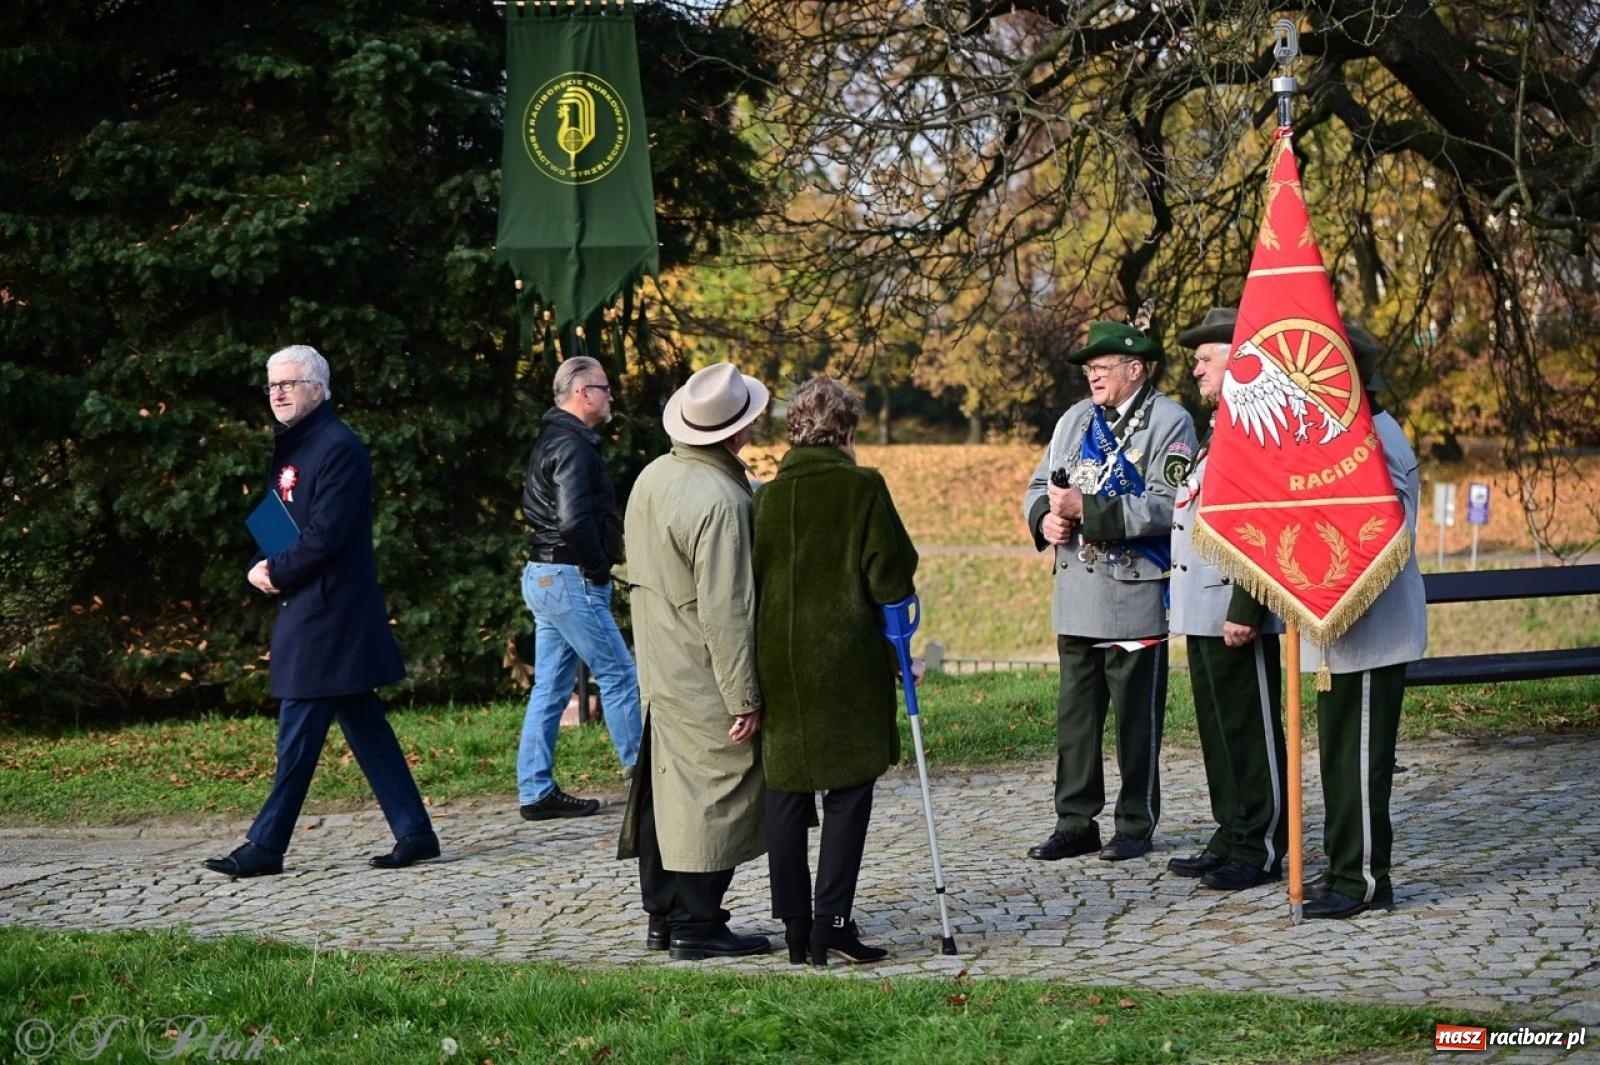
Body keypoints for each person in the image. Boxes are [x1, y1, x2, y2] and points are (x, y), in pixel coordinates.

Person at [203, 345, 437, 878]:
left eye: (288, 383)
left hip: (330, 612)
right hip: (310, 603)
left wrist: (275, 571)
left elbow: (326, 535)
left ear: (318, 387)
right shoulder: (295, 447)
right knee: (364, 725)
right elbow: (278, 518)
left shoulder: (338, 448)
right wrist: (260, 562)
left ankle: (266, 845)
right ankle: (416, 832)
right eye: (272, 386)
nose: (278, 393)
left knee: (299, 729)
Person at [752, 376, 920, 967]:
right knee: (849, 790)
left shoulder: (767, 497)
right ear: (847, 431)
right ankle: (834, 921)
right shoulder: (862, 488)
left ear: (794, 430)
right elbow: (890, 576)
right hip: (845, 662)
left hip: (777, 661)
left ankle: (795, 927)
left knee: (786, 790)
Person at [1021, 320, 1198, 863]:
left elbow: (1170, 505)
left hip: (1134, 595)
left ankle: (1135, 822)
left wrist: (1087, 511)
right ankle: (1075, 821)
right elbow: (1037, 487)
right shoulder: (1074, 421)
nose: (1092, 376)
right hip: (1075, 594)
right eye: (1089, 369)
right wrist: (1043, 522)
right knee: (1076, 720)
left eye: (1102, 368)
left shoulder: (1170, 423)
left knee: (1134, 721)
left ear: (1135, 370)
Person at [616, 362, 772, 961]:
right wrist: (745, 697)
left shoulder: (654, 475)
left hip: (660, 659)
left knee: (666, 794)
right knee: (716, 793)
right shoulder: (721, 501)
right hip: (702, 665)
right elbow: (728, 610)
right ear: (737, 432)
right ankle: (697, 925)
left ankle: (663, 919)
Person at [1301, 323, 1427, 919]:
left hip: (1372, 631)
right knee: (1338, 758)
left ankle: (1366, 880)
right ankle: (1342, 862)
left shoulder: (1380, 438)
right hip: (1334, 633)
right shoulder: (1341, 441)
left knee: (1364, 761)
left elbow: (1390, 537)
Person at [1167, 307, 1288, 891]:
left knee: (1250, 729)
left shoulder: (1255, 429)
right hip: (1201, 604)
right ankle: (1232, 829)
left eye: (1204, 358)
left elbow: (1263, 524)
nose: (1195, 369)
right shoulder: (1221, 428)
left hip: (1234, 608)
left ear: (1237, 361)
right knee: (1218, 730)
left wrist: (1248, 605)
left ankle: (1262, 843)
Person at [515, 355, 642, 820]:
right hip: (570, 577)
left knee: (549, 686)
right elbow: (573, 520)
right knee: (619, 674)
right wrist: (598, 569)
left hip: (545, 576)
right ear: (583, 393)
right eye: (605, 388)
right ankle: (647, 780)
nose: (611, 397)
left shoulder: (556, 440)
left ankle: (535, 790)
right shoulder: (572, 447)